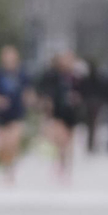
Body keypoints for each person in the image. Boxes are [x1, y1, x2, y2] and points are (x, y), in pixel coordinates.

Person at [36, 50, 83, 180]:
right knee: (61, 138)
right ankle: (60, 162)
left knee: (69, 141)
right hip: (57, 111)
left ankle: (66, 165)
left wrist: (78, 98)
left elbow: (84, 92)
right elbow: (45, 91)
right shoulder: (53, 75)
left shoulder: (76, 77)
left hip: (72, 112)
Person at [0, 45, 29, 183]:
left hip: (17, 113)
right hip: (2, 114)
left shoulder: (22, 74)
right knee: (2, 145)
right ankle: (6, 166)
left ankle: (12, 167)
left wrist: (30, 100)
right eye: (6, 56)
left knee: (13, 141)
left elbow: (28, 91)